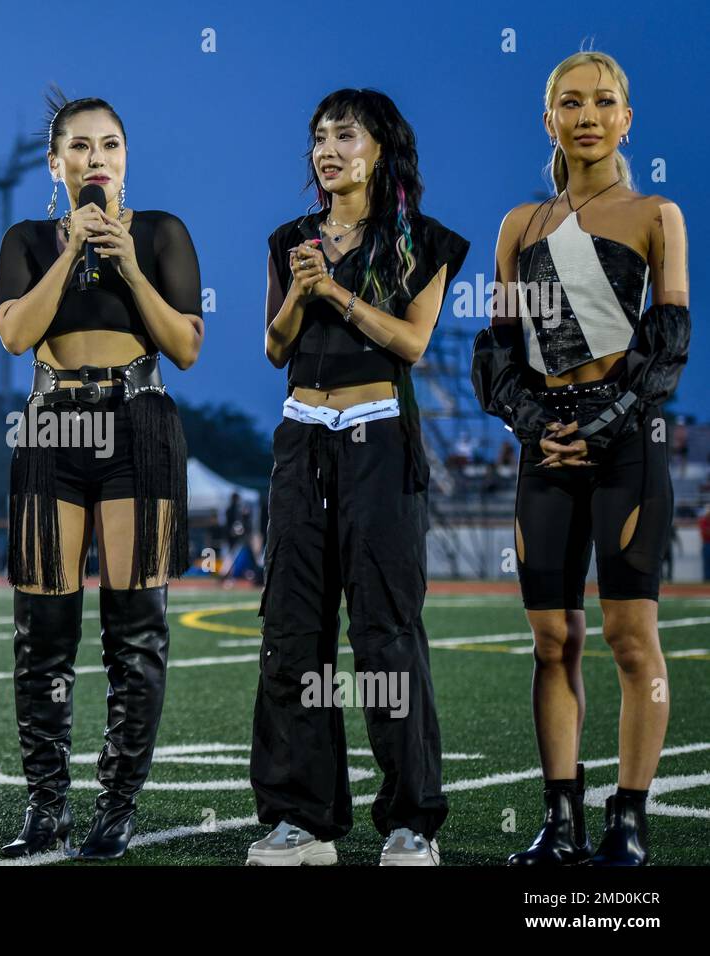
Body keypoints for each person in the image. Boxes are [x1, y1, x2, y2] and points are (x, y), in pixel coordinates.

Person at [472, 51, 689, 866]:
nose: (588, 114)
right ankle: (558, 820)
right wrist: (537, 424)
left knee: (631, 640)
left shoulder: (655, 215)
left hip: (626, 444)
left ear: (626, 119)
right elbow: (494, 355)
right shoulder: (518, 227)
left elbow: (668, 349)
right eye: (571, 102)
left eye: (604, 102)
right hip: (543, 447)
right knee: (552, 641)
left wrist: (597, 426)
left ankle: (627, 819)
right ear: (549, 119)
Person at [249, 88, 469, 867]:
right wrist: (302, 292)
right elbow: (275, 350)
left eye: (345, 135)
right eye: (318, 137)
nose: (328, 149)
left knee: (385, 634)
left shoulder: (424, 240)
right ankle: (299, 821)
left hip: (379, 441)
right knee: (291, 633)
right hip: (301, 438)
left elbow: (410, 343)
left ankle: (410, 821)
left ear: (381, 148)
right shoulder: (288, 240)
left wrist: (336, 291)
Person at [0, 89, 203, 860]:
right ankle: (46, 808)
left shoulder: (161, 233)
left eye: (109, 145)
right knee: (42, 636)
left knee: (135, 630)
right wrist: (73, 252)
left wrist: (125, 265)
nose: (95, 159)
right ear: (56, 164)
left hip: (138, 421)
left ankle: (116, 807)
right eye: (79, 147)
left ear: (125, 158)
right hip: (51, 422)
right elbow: (15, 334)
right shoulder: (27, 237)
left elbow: (184, 347)